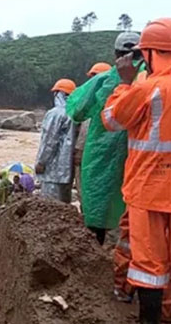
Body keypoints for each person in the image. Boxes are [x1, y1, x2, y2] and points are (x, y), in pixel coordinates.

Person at [101, 18, 171, 323]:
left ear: (152, 53)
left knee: (149, 267)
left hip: (149, 189)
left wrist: (126, 83)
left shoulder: (149, 88)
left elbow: (112, 119)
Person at [67, 32, 141, 247]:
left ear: (116, 54)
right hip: (142, 162)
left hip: (101, 158)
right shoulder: (155, 80)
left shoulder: (104, 81)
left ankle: (98, 259)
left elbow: (77, 111)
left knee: (97, 209)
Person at [35, 78, 77, 203]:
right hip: (67, 170)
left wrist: (41, 162)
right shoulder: (75, 113)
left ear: (59, 94)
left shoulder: (55, 114)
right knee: (64, 206)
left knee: (51, 207)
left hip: (52, 171)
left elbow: (49, 140)